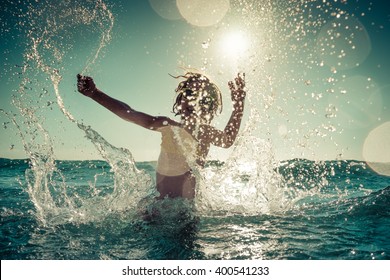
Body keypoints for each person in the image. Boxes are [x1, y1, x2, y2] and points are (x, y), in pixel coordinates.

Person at [77, 72, 246, 200]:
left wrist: (239, 105)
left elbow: (227, 139)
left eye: (199, 97)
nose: (192, 101)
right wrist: (95, 93)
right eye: (188, 94)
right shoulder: (167, 126)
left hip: (186, 209)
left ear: (208, 107)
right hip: (160, 204)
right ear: (180, 101)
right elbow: (128, 112)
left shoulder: (205, 133)